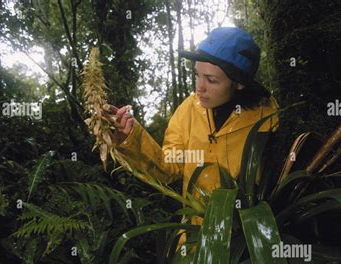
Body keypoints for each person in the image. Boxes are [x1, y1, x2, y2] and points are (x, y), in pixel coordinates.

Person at [106, 27, 279, 228]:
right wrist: (131, 138)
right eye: (197, 75)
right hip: (194, 239)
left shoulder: (266, 116)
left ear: (239, 84)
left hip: (245, 241)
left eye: (211, 80)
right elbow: (168, 168)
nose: (199, 87)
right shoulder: (189, 109)